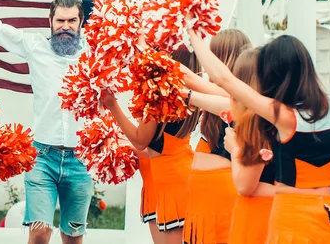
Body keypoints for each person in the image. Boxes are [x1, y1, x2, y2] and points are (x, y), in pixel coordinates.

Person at [0, 0, 93, 244]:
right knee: (40, 232)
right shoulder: (35, 47)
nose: (65, 27)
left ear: (81, 22)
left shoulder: (96, 55)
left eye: (72, 21)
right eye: (60, 21)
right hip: (43, 158)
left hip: (81, 159)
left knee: (73, 236)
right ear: (50, 21)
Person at [188, 30, 330, 243]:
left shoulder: (284, 116)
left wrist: (191, 32)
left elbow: (224, 79)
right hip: (324, 215)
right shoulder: (326, 108)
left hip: (292, 218)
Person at [101, 47, 201, 244]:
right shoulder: (188, 91)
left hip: (170, 185)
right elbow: (156, 147)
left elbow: (141, 139)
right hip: (164, 178)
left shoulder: (160, 93)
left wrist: (112, 106)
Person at [183, 29, 251, 244]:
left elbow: (190, 80)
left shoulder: (241, 100)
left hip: (223, 202)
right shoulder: (223, 94)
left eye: (212, 55)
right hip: (203, 202)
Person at [221, 48, 276, 244]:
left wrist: (235, 150)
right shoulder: (275, 117)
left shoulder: (257, 124)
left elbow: (245, 185)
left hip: (260, 218)